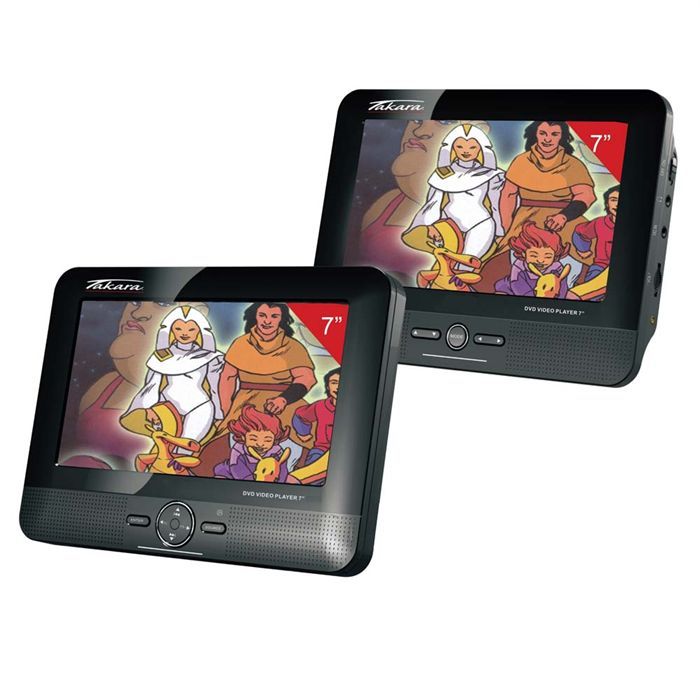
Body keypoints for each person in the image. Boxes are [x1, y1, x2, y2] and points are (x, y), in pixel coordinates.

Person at [495, 121, 596, 286]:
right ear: (535, 134)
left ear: (562, 137)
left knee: (585, 252)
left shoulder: (573, 164)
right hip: (526, 218)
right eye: (543, 133)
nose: (548, 139)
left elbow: (586, 195)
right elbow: (508, 195)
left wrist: (563, 217)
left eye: (554, 134)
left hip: (565, 219)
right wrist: (507, 226)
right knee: (510, 255)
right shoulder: (521, 162)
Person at [121, 305, 224, 447]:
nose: (184, 333)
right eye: (178, 328)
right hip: (165, 408)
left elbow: (215, 387)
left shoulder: (210, 357)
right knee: (163, 448)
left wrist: (219, 415)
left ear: (199, 331)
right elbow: (152, 385)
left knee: (186, 448)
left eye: (191, 329)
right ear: (171, 330)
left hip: (200, 408)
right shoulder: (161, 357)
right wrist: (147, 408)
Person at [403, 123, 504, 266]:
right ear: (452, 148)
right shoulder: (442, 174)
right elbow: (433, 203)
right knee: (445, 266)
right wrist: (430, 225)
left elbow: (496, 204)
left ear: (480, 149)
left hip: (481, 224)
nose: (466, 151)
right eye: (460, 146)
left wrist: (499, 232)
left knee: (466, 265)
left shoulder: (491, 174)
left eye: (472, 147)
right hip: (447, 225)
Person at [214, 404, 290, 482]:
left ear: (274, 440)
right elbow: (238, 472)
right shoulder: (239, 450)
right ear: (243, 437)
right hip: (232, 475)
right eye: (253, 439)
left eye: (267, 440)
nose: (260, 444)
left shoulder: (277, 452)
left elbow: (282, 472)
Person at [495, 220, 571, 298]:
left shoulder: (558, 268)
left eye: (547, 257)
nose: (540, 260)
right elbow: (518, 288)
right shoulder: (519, 266)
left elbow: (562, 289)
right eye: (534, 256)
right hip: (513, 290)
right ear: (524, 253)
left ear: (554, 257)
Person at [292, 367, 340, 465]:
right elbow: (300, 415)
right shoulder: (321, 406)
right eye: (334, 383)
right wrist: (303, 433)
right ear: (328, 387)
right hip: (321, 451)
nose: (338, 387)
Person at [572, 185, 619, 281]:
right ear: (607, 204)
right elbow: (580, 232)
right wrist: (583, 249)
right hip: (601, 267)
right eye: (613, 200)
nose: (617, 204)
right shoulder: (600, 223)